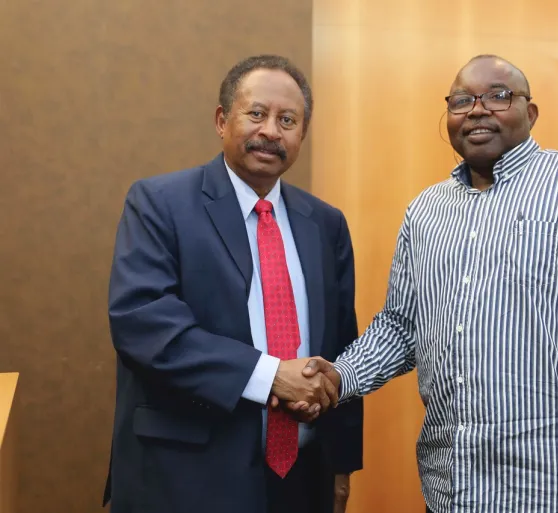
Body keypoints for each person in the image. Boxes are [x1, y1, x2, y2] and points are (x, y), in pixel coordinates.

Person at [299, 54, 558, 513]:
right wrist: (337, 375)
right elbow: (400, 327)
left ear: (530, 113)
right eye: (461, 100)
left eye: (498, 96)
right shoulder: (425, 211)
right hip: (450, 489)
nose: (476, 109)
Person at [103, 55, 363, 513]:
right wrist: (269, 377)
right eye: (256, 114)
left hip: (302, 480)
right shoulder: (160, 204)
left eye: (288, 120)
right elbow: (143, 324)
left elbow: (341, 346)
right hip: (187, 478)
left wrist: (341, 465)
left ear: (302, 134)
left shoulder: (325, 224)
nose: (271, 131)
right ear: (223, 121)